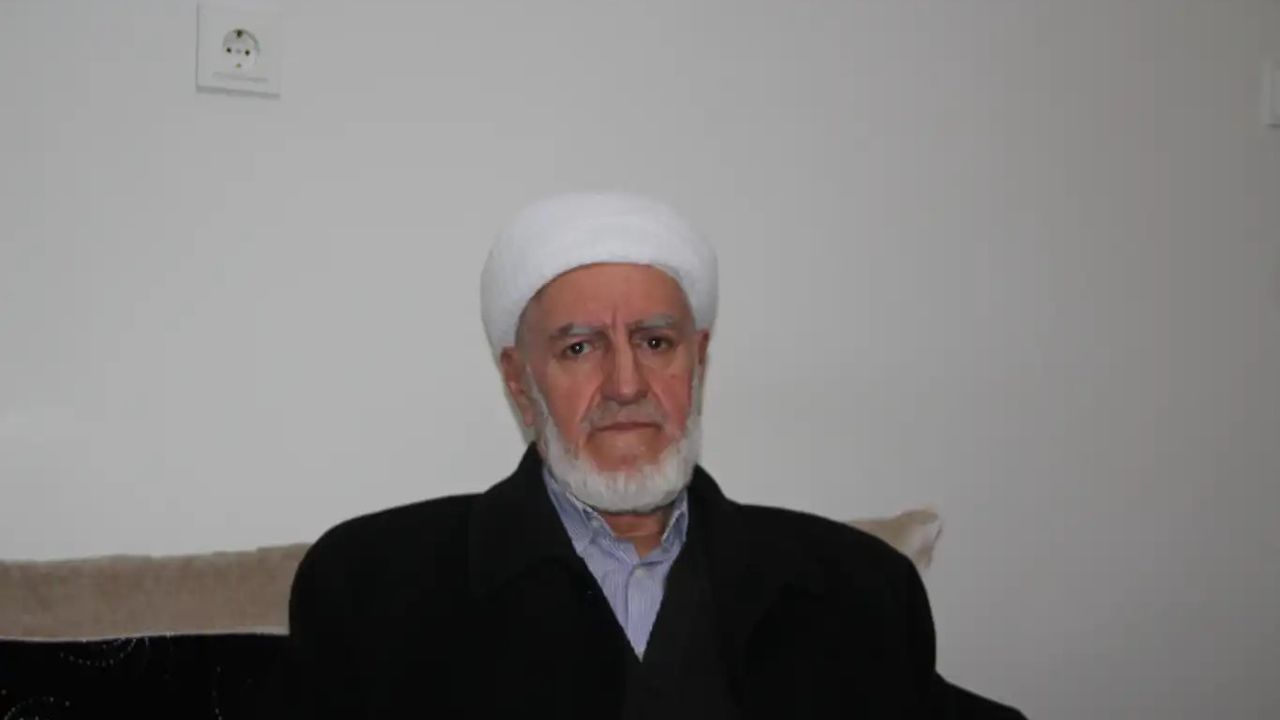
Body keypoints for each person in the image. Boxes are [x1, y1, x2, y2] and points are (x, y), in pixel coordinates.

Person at [279, 192, 1025, 718]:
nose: (626, 384)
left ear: (698, 360)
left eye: (656, 342)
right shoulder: (373, 585)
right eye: (580, 348)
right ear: (518, 381)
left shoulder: (859, 588)